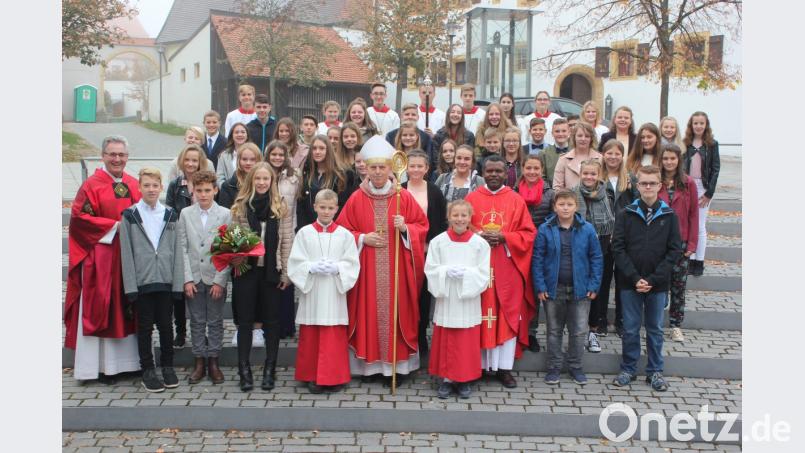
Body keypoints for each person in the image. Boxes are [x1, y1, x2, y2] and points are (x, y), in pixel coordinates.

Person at [335, 136, 429, 380]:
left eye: (382, 167)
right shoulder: (357, 198)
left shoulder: (403, 197)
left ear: (390, 168)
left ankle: (397, 367)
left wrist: (406, 228)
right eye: (373, 167)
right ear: (365, 168)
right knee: (369, 315)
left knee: (399, 314)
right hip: (367, 271)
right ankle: (370, 367)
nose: (377, 172)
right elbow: (342, 231)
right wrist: (362, 238)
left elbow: (422, 225)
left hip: (398, 269)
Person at [65, 136, 142, 383]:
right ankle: (102, 366)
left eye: (121, 155)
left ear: (127, 157)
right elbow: (79, 220)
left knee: (128, 308)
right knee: (104, 307)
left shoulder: (134, 184)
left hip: (129, 259)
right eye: (112, 154)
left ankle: (129, 363)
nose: (117, 159)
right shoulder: (91, 185)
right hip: (101, 259)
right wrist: (114, 227)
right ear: (103, 156)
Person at [465, 155, 536, 388]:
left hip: (508, 267)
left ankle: (504, 369)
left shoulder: (516, 200)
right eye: (489, 171)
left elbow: (528, 233)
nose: (494, 175)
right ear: (482, 173)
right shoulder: (472, 198)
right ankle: (478, 365)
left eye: (498, 171)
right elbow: (461, 227)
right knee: (480, 316)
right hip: (479, 267)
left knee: (506, 315)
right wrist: (479, 235)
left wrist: (505, 236)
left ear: (506, 173)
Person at [611, 165, 683, 392]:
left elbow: (674, 251)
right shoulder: (626, 214)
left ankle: (655, 372)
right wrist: (634, 278)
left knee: (655, 329)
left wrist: (653, 279)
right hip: (629, 283)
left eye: (652, 183)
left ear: (660, 185)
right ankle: (628, 368)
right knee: (631, 328)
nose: (648, 187)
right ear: (637, 185)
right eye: (644, 183)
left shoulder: (669, 216)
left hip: (657, 284)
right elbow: (618, 248)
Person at [288, 189, 361, 393]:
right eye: (322, 207)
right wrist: (310, 268)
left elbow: (352, 263)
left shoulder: (345, 235)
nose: (326, 212)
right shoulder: (304, 233)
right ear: (315, 207)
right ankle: (311, 375)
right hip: (313, 291)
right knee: (312, 334)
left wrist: (338, 268)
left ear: (337, 208)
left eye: (330, 208)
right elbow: (295, 261)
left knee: (333, 336)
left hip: (333, 292)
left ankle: (334, 376)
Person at [229, 162, 293, 392]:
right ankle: (244, 370)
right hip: (246, 271)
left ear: (272, 181)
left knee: (272, 322)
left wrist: (286, 272)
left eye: (266, 179)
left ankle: (270, 368)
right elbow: (233, 238)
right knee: (245, 321)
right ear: (251, 180)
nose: (262, 182)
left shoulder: (281, 207)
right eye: (258, 179)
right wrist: (236, 253)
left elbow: (286, 241)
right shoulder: (240, 206)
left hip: (271, 271)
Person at [119, 168, 184, 392]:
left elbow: (177, 251)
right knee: (145, 327)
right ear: (139, 187)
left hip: (165, 280)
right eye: (146, 185)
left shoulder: (170, 215)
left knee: (166, 327)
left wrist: (177, 284)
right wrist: (130, 287)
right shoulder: (130, 216)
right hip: (143, 281)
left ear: (161, 187)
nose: (151, 189)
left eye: (155, 185)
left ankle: (168, 366)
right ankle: (148, 369)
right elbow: (126, 253)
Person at [532, 189, 603, 385]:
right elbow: (537, 260)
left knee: (579, 330)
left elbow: (596, 258)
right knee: (554, 330)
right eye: (561, 204)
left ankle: (575, 365)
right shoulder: (545, 229)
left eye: (569, 204)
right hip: (554, 288)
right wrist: (540, 285)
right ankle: (554, 366)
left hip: (580, 289)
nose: (565, 208)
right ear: (554, 206)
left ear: (576, 207)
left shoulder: (587, 229)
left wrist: (593, 284)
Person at [425, 200, 490, 399]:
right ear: (449, 217)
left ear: (470, 217)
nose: (460, 219)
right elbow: (431, 269)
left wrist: (466, 274)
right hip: (448, 298)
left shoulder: (480, 244)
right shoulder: (438, 242)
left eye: (464, 215)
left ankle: (464, 379)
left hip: (467, 299)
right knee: (447, 339)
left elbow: (484, 273)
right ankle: (446, 379)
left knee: (465, 341)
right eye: (456, 215)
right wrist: (445, 272)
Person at [177, 170, 231, 385]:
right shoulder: (186, 214)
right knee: (197, 321)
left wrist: (220, 279)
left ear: (215, 190)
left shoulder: (225, 214)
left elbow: (227, 249)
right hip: (194, 276)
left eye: (208, 190)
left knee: (215, 321)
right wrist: (187, 279)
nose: (203, 195)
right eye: (199, 190)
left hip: (214, 275)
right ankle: (199, 360)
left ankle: (213, 361)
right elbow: (182, 246)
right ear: (193, 191)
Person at [402, 150, 448, 355]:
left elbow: (439, 222)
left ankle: (420, 336)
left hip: (426, 252)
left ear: (427, 168)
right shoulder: (399, 190)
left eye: (420, 166)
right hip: (403, 251)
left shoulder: (434, 192)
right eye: (412, 166)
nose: (416, 170)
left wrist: (432, 245)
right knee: (405, 297)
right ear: (406, 167)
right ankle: (404, 336)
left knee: (422, 297)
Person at [166, 144, 209, 348]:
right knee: (180, 291)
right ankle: (181, 330)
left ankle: (202, 331)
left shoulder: (206, 183)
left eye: (195, 160)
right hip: (182, 238)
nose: (191, 164)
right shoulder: (176, 184)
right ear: (182, 161)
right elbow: (169, 210)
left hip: (203, 242)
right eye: (188, 160)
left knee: (201, 289)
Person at [570, 160, 615, 354]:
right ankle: (576, 332)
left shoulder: (607, 193)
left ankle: (593, 332)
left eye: (593, 174)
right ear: (580, 174)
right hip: (577, 247)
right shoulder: (573, 192)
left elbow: (611, 220)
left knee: (596, 291)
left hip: (602, 247)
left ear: (599, 175)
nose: (589, 177)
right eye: (585, 173)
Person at [658, 144, 699, 343]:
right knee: (658, 284)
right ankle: (655, 322)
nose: (669, 162)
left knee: (678, 286)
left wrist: (692, 244)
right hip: (658, 242)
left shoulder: (688, 183)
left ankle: (675, 325)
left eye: (672, 158)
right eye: (665, 158)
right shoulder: (656, 182)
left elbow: (694, 214)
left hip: (681, 242)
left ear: (678, 160)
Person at [514, 154, 554, 352]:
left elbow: (553, 219)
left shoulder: (550, 193)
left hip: (539, 249)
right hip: (516, 247)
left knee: (534, 291)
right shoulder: (513, 191)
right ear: (522, 169)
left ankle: (531, 332)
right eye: (528, 168)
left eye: (535, 169)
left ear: (542, 171)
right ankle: (514, 330)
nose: (532, 172)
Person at [600, 139, 638, 338]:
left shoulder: (630, 178)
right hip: (603, 236)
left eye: (617, 154)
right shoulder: (598, 176)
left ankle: (622, 320)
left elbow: (638, 204)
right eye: (609, 153)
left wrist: (633, 189)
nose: (613, 157)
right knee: (604, 279)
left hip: (625, 237)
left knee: (623, 280)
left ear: (622, 156)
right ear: (603, 155)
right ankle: (601, 320)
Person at [266, 140, 301, 339]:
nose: (277, 158)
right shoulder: (263, 174)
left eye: (281, 154)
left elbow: (297, 204)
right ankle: (271, 325)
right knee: (272, 277)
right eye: (274, 154)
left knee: (287, 279)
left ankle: (287, 326)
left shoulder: (293, 177)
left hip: (289, 228)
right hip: (269, 231)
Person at [683, 111, 720, 277]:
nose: (698, 126)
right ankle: (690, 259)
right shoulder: (685, 143)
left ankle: (699, 261)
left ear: (706, 125)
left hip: (703, 187)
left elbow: (715, 169)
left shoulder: (712, 144)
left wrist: (709, 193)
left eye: (701, 123)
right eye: (695, 123)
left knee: (700, 225)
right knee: (689, 223)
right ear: (691, 125)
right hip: (687, 186)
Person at [297, 135, 358, 230]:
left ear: (328, 150)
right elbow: (301, 206)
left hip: (334, 229)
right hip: (310, 229)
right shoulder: (307, 173)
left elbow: (345, 206)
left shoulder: (343, 175)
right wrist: (302, 229)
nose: (317, 152)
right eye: (314, 148)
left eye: (321, 148)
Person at [553, 122, 602, 190]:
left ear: (591, 139)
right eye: (579, 136)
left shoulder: (600, 159)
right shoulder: (563, 159)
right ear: (574, 137)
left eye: (587, 136)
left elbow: (603, 184)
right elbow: (557, 188)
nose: (583, 139)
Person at [217, 143, 261, 209]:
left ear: (259, 160)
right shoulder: (227, 186)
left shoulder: (265, 184)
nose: (248, 163)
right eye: (244, 159)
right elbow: (225, 215)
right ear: (238, 161)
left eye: (252, 159)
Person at [216, 122, 251, 188]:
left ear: (247, 135)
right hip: (229, 194)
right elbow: (219, 177)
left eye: (243, 132)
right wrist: (227, 190)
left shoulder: (255, 153)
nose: (240, 134)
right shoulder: (223, 156)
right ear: (232, 135)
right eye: (236, 132)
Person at [538, 118, 571, 187]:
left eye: (564, 131)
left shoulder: (576, 151)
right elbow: (542, 177)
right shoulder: (544, 153)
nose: (560, 134)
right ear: (552, 133)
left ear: (569, 132)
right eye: (557, 131)